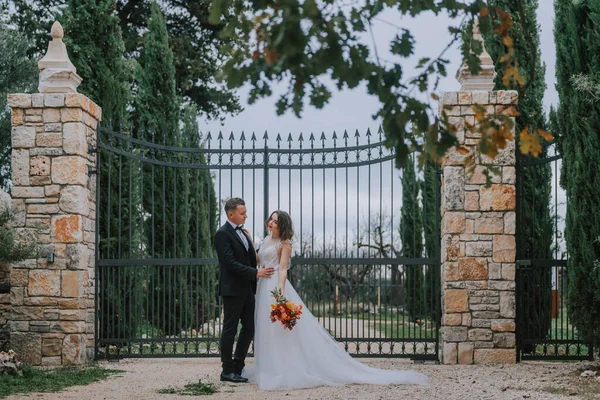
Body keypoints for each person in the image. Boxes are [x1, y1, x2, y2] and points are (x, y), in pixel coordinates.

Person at [242, 210, 428, 390]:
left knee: (281, 330)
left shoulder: (285, 244)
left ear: (281, 225)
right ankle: (269, 367)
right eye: (270, 219)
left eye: (275, 221)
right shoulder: (267, 240)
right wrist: (250, 240)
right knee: (266, 328)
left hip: (275, 286)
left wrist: (280, 294)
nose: (270, 222)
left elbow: (283, 269)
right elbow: (259, 260)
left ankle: (285, 369)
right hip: (262, 285)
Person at [214, 198, 274, 383]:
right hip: (232, 290)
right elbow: (230, 263)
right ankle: (226, 370)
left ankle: (238, 366)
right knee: (230, 330)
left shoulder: (243, 232)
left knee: (249, 328)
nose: (246, 215)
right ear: (230, 214)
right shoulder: (222, 234)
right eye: (242, 213)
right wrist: (256, 273)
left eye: (245, 212)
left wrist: (249, 240)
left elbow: (249, 257)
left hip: (248, 289)